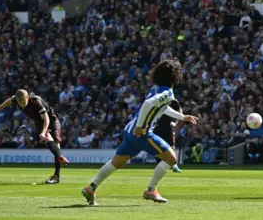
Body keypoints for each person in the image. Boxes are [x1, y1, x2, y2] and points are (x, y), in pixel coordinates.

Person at [81, 60, 198, 206]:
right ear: (175, 77)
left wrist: (182, 117)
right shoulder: (168, 92)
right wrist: (140, 126)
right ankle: (151, 190)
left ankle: (91, 188)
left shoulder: (156, 89)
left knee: (116, 162)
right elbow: (148, 104)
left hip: (131, 131)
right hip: (142, 132)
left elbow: (162, 107)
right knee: (171, 158)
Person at [0, 89, 69, 184]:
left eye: (24, 101)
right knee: (48, 140)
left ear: (28, 97)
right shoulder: (17, 98)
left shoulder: (36, 102)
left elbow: (46, 119)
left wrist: (43, 132)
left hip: (51, 120)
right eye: (20, 102)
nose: (22, 104)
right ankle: (59, 156)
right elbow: (9, 101)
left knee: (54, 142)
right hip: (39, 122)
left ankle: (56, 174)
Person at [152, 98, 183, 173]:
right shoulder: (156, 100)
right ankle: (159, 165)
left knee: (172, 146)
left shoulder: (173, 101)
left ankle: (175, 166)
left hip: (168, 127)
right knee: (157, 147)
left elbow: (180, 111)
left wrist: (175, 122)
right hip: (156, 128)